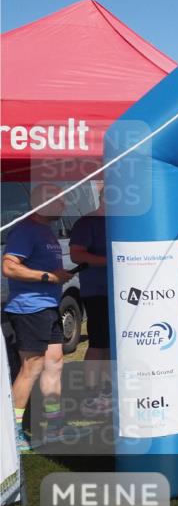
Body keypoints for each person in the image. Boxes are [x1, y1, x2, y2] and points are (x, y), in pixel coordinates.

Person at [2, 186, 74, 449]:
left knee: (54, 363)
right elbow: (9, 266)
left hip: (49, 305)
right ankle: (12, 433)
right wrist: (48, 277)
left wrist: (56, 274)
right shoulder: (25, 230)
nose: (65, 206)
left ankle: (54, 427)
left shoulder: (46, 231)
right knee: (30, 368)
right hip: (30, 309)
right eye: (60, 201)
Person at [69, 188, 112, 418]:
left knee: (113, 345)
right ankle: (92, 396)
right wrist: (110, 261)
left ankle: (107, 393)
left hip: (123, 293)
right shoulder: (88, 222)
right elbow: (77, 255)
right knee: (99, 344)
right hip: (98, 292)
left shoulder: (123, 222)